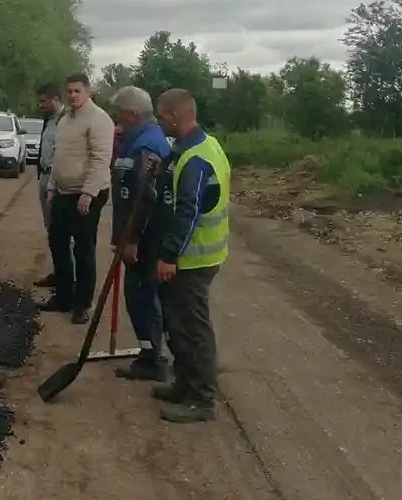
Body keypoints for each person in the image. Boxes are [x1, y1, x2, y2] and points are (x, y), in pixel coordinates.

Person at [150, 88, 231, 423]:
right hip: (195, 256)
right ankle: (184, 384)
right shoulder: (199, 146)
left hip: (194, 259)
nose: (158, 122)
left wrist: (169, 256)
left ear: (174, 116)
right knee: (180, 326)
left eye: (160, 116)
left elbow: (188, 212)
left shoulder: (196, 160)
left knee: (194, 329)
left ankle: (202, 400)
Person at [108, 86, 172, 383]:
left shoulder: (147, 145)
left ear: (133, 114)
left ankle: (152, 359)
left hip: (145, 241)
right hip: (138, 237)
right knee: (143, 296)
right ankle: (153, 354)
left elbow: (144, 198)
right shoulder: (135, 140)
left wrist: (132, 240)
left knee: (142, 296)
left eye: (119, 113)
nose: (116, 119)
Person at [41, 73, 114, 324]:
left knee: (83, 249)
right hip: (64, 192)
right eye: (70, 91)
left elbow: (100, 160)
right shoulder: (65, 120)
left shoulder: (99, 119)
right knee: (58, 243)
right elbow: (59, 157)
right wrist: (52, 187)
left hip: (88, 194)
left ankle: (82, 304)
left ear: (88, 91)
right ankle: (64, 297)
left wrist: (88, 193)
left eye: (77, 91)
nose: (72, 95)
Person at [34, 82, 66, 289]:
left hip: (57, 181)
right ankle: (59, 271)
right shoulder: (48, 120)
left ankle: (67, 277)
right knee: (51, 229)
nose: (40, 105)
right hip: (44, 178)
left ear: (55, 100)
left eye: (43, 101)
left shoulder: (67, 120)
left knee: (61, 230)